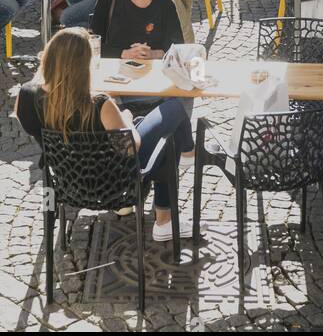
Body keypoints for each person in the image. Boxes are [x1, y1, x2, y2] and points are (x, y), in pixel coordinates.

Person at [14, 27, 193, 242]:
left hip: (67, 179)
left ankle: (186, 158)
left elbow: (33, 127)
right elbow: (131, 146)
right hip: (114, 182)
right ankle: (165, 219)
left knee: (150, 123)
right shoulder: (99, 104)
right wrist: (125, 118)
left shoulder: (25, 97)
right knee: (172, 111)